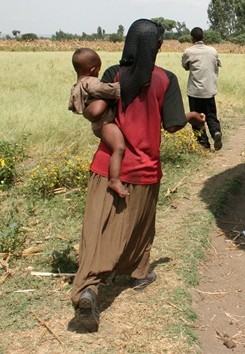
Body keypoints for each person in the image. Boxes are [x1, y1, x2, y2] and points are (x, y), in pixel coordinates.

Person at [70, 19, 206, 333]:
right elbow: (171, 125)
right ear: (157, 47)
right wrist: (192, 117)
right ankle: (138, 272)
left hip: (106, 166)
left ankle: (89, 288)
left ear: (130, 44)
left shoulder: (112, 75)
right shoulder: (166, 79)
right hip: (144, 169)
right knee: (140, 227)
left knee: (96, 232)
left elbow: (95, 108)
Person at [68, 47, 129, 197]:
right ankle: (114, 179)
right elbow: (106, 90)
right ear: (93, 70)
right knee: (119, 147)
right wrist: (124, 86)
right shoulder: (90, 82)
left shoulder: (77, 86)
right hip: (105, 124)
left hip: (99, 125)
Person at [181, 27, 223, 150]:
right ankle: (216, 132)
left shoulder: (189, 52)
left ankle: (204, 145)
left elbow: (185, 66)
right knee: (211, 115)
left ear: (192, 38)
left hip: (195, 91)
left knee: (197, 118)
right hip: (209, 90)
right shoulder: (212, 51)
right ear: (203, 37)